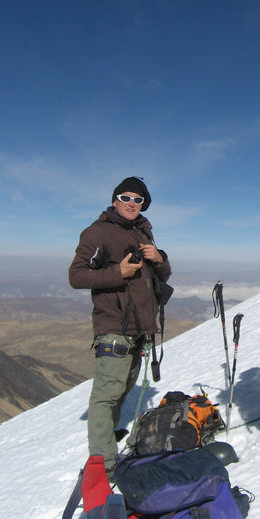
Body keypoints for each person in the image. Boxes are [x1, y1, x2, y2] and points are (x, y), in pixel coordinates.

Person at [69, 176, 172, 476]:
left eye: (137, 200)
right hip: (113, 324)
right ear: (114, 200)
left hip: (139, 328)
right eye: (125, 197)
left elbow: (162, 275)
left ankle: (107, 439)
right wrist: (118, 272)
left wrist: (160, 258)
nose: (131, 203)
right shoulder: (97, 232)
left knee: (123, 388)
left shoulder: (144, 231)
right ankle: (103, 463)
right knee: (106, 394)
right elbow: (76, 276)